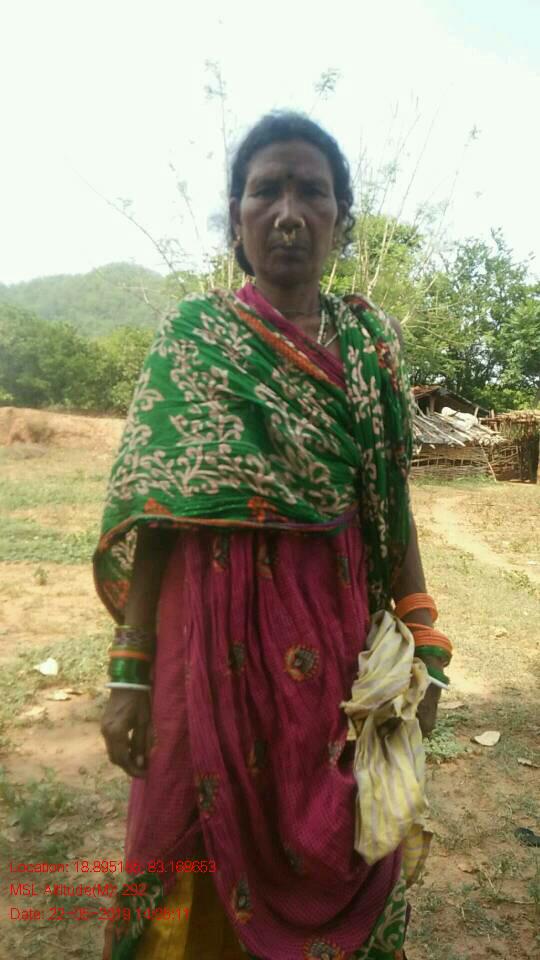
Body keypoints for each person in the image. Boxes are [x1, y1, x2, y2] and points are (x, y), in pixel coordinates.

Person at [94, 111, 452, 960]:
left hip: (333, 647)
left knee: (341, 830)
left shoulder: (371, 348)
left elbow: (389, 500)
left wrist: (426, 642)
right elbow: (158, 514)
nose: (288, 212)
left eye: (311, 193)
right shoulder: (194, 339)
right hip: (204, 648)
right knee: (186, 842)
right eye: (266, 192)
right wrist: (131, 670)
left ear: (340, 219)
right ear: (237, 216)